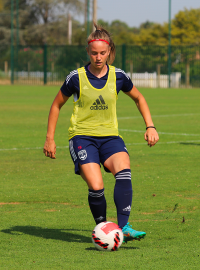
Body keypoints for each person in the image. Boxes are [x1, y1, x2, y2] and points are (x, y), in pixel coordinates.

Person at [43, 24, 159, 242]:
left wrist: (150, 126)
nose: (98, 57)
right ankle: (103, 229)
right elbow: (56, 105)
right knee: (96, 187)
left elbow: (139, 98)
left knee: (124, 170)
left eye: (103, 53)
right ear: (88, 52)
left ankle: (123, 227)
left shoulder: (119, 76)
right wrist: (50, 139)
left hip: (110, 137)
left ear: (110, 52)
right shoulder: (75, 78)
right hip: (82, 138)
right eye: (94, 53)